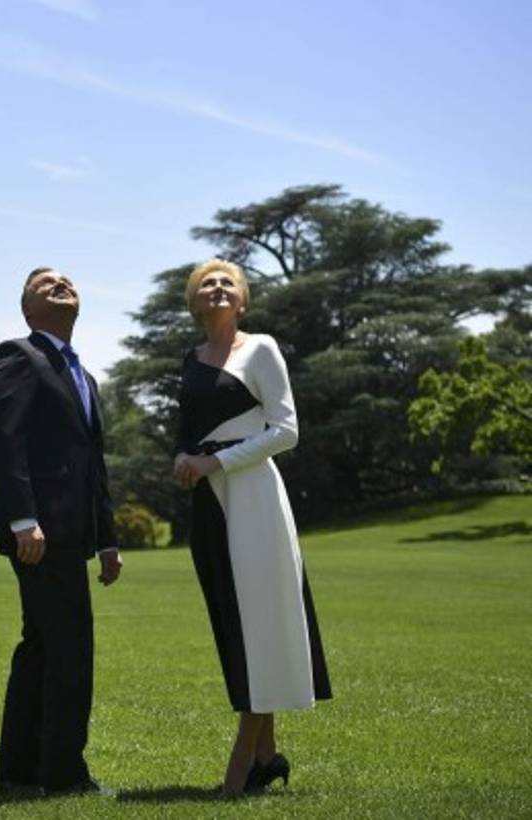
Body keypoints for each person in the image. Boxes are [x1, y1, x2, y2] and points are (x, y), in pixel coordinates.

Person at [173, 258, 331, 797]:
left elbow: (286, 431)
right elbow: (187, 430)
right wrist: (184, 457)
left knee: (258, 621)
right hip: (209, 505)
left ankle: (242, 763)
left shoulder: (261, 349)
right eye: (206, 284)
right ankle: (267, 756)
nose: (216, 288)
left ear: (242, 300)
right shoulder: (191, 359)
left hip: (254, 498)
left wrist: (217, 462)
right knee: (232, 620)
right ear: (195, 303)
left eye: (227, 283)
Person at [0, 267, 122, 796]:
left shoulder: (83, 376)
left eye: (68, 280)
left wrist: (107, 538)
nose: (62, 286)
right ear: (28, 309)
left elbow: (95, 464)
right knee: (68, 650)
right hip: (39, 532)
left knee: (42, 648)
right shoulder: (18, 355)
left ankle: (18, 774)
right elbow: (8, 440)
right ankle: (64, 774)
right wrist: (24, 518)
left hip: (74, 534)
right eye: (46, 284)